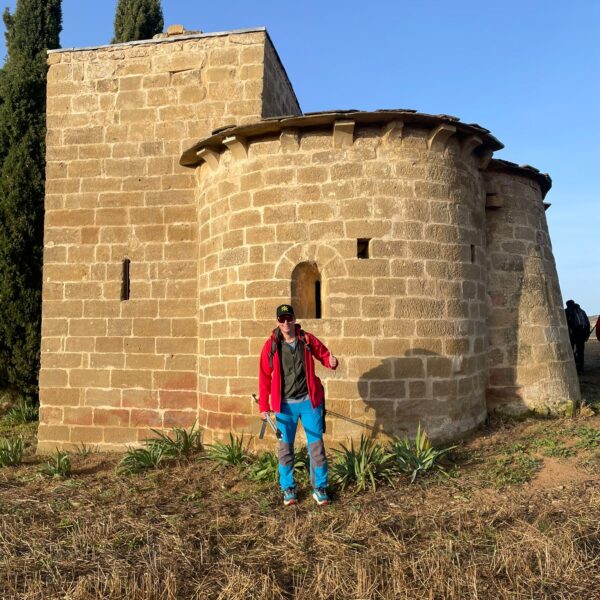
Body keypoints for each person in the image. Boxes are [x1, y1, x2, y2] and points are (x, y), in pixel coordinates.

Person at [258, 304, 338, 506]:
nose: (286, 322)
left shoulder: (306, 339)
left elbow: (323, 354)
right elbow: (264, 376)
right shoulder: (272, 345)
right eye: (282, 319)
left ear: (294, 319)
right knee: (285, 448)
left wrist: (331, 362)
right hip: (285, 406)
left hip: (309, 403)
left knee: (316, 446)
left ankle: (320, 488)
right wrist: (263, 407)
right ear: (278, 321)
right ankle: (288, 489)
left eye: (289, 318)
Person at [565, 300, 591, 374]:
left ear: (567, 304)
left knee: (570, 351)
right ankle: (580, 369)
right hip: (581, 334)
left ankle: (572, 368)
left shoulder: (567, 311)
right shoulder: (582, 311)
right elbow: (587, 323)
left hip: (572, 334)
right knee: (580, 352)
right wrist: (587, 335)